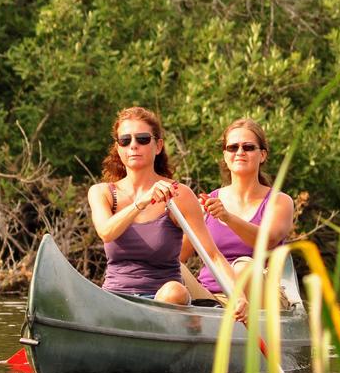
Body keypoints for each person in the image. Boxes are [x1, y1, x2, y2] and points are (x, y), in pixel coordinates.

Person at [88, 106, 247, 321]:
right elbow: (106, 232)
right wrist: (141, 202)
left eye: (142, 139)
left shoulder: (179, 194)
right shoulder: (102, 192)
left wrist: (239, 297)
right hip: (116, 299)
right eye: (125, 140)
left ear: (158, 146)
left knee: (175, 291)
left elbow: (212, 254)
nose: (133, 145)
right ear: (118, 148)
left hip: (165, 302)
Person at [180, 118, 294, 305]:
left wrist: (227, 217)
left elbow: (267, 241)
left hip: (262, 299)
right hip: (211, 296)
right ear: (225, 155)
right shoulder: (205, 204)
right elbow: (179, 256)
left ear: (262, 155)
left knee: (243, 267)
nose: (240, 152)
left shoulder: (280, 202)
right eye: (233, 148)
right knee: (170, 268)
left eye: (248, 147)